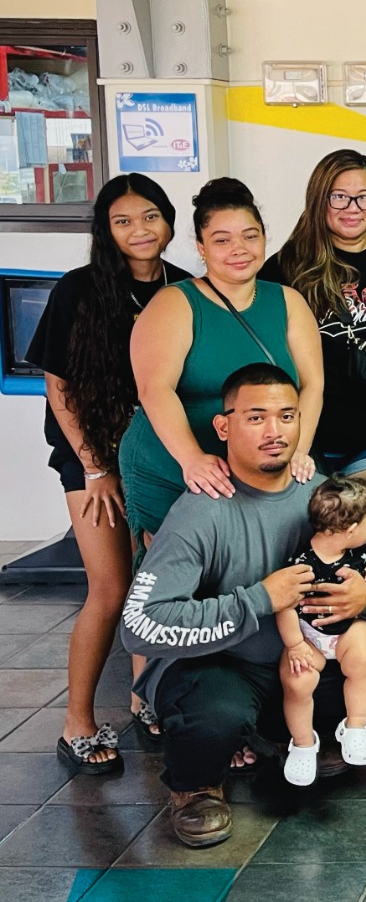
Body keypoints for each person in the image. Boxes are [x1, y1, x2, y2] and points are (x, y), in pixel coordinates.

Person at [120, 364, 366, 847]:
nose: (275, 431)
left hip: (303, 660)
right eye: (257, 418)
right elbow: (139, 626)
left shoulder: (321, 494)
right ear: (224, 427)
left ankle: (290, 741)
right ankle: (196, 787)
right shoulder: (202, 509)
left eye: (287, 416)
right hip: (225, 666)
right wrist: (260, 598)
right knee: (213, 713)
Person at [28, 175, 192, 773]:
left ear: (169, 220)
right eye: (124, 221)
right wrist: (97, 469)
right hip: (93, 457)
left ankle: (142, 701)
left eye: (150, 216)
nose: (140, 230)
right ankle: (77, 724)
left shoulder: (185, 288)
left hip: (157, 455)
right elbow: (58, 383)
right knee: (110, 586)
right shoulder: (79, 290)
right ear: (106, 230)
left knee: (155, 585)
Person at [120, 178, 323, 544]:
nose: (239, 249)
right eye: (222, 239)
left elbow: (312, 385)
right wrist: (192, 459)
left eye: (250, 235)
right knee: (180, 576)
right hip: (175, 463)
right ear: (201, 247)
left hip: (262, 465)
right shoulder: (174, 302)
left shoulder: (289, 301)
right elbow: (154, 389)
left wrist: (296, 452)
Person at [260, 149, 366, 476]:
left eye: (364, 198)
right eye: (339, 197)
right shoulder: (285, 267)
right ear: (318, 199)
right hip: (307, 435)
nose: (353, 209)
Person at [278, 475, 366, 785]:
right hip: (308, 637)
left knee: (362, 655)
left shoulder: (355, 552)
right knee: (297, 680)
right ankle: (302, 743)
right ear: (351, 530)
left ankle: (355, 725)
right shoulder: (301, 565)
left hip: (345, 633)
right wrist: (295, 645)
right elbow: (284, 606)